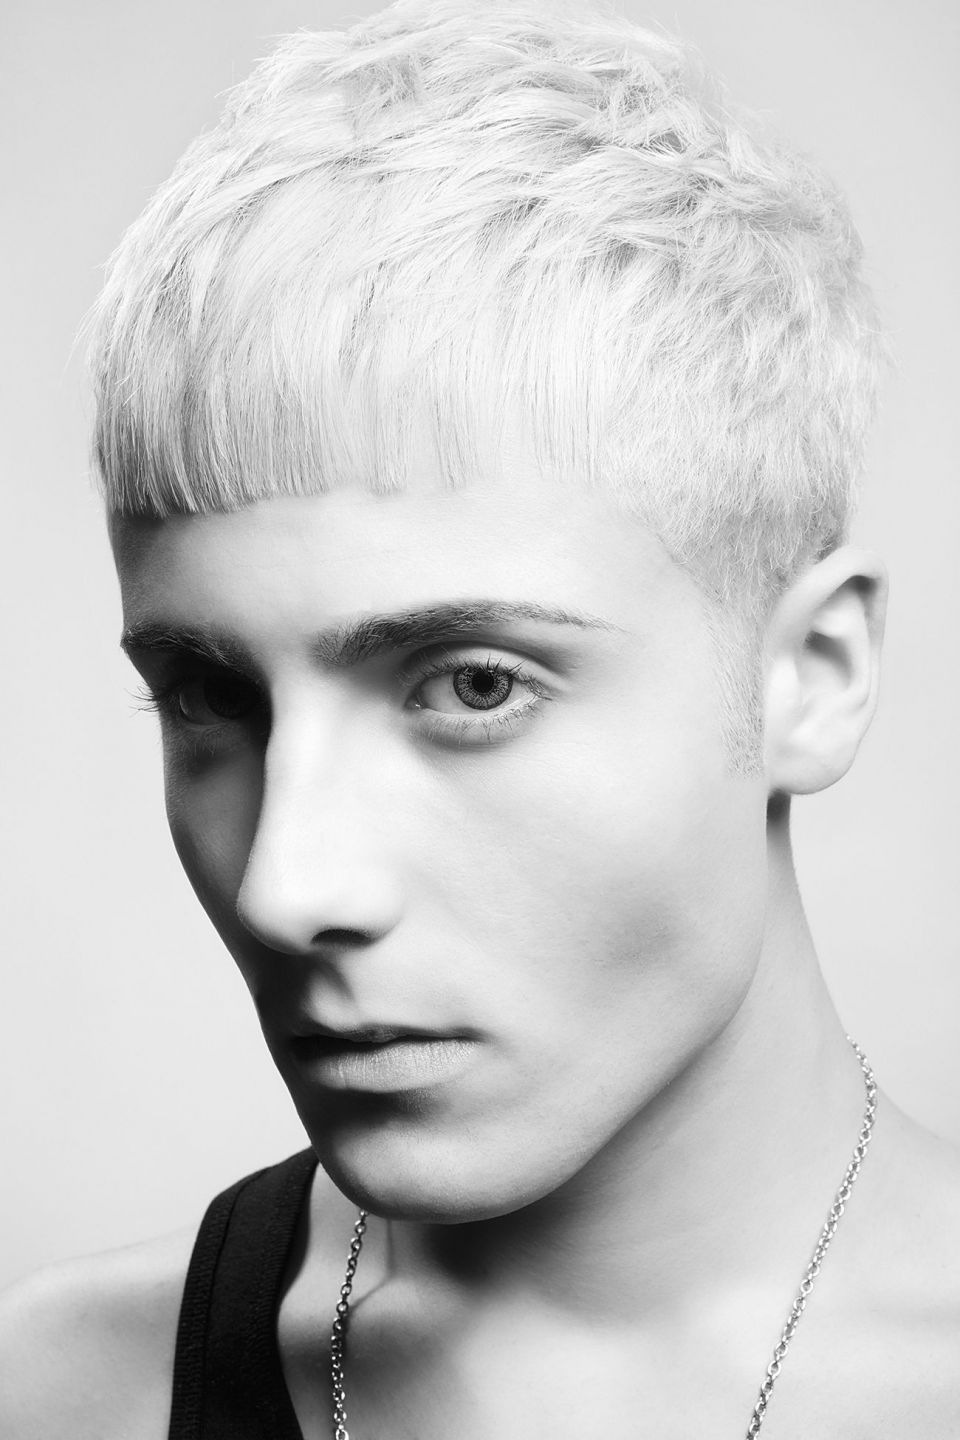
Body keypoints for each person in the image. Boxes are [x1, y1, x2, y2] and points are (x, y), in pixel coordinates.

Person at [2, 0, 958, 1435]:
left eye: (472, 686)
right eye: (211, 696)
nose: (287, 886)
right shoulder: (63, 1395)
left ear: (810, 678)